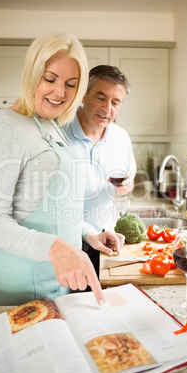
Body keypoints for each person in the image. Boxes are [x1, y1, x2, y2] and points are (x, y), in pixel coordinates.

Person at [0, 32, 124, 306]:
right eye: (50, 79)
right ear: (31, 74)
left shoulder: (52, 126)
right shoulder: (4, 126)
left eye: (71, 84)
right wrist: (54, 247)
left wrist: (89, 233)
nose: (60, 92)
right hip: (24, 288)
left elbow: (56, 208)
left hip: (63, 280)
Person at [63, 65, 136, 273]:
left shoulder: (121, 138)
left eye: (115, 102)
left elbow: (129, 175)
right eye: (101, 97)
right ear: (84, 95)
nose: (107, 108)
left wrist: (129, 183)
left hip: (106, 238)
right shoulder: (59, 133)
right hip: (66, 240)